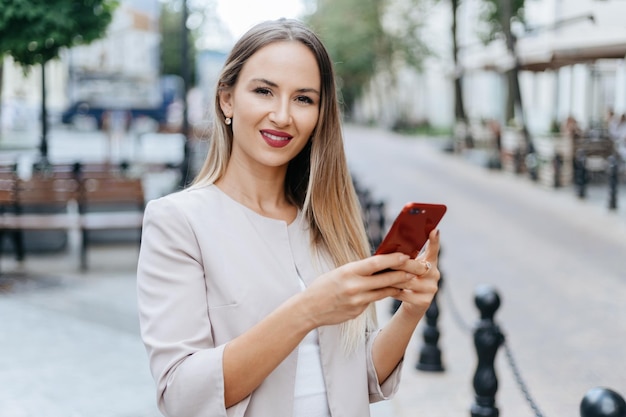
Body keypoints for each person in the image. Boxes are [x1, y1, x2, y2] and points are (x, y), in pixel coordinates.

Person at [136, 18, 441, 417]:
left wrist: (411, 312)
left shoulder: (328, 224)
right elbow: (182, 395)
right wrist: (308, 309)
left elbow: (358, 380)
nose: (282, 116)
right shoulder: (177, 222)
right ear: (227, 99)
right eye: (264, 91)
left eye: (303, 99)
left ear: (319, 115)